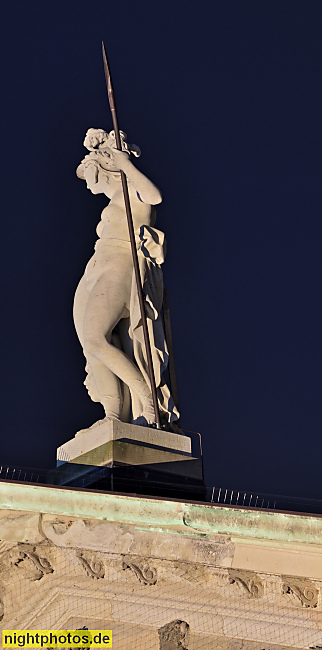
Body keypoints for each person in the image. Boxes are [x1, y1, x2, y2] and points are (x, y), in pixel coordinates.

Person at [73, 129, 177, 433]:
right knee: (90, 346)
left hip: (121, 261)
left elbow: (155, 196)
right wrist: (98, 145)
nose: (93, 181)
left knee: (96, 337)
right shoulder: (115, 197)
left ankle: (147, 401)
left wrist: (125, 163)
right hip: (96, 265)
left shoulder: (134, 189)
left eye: (96, 172)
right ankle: (113, 416)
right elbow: (84, 171)